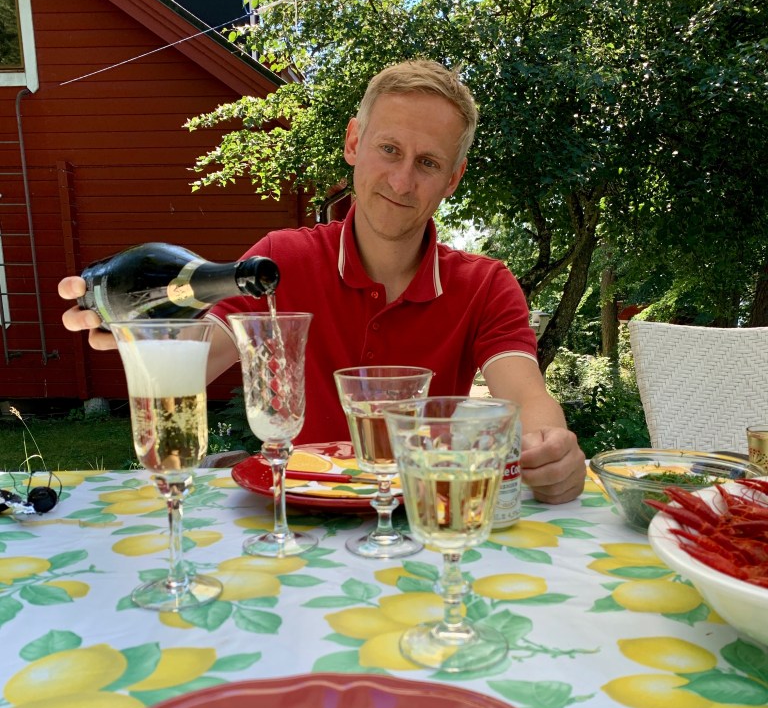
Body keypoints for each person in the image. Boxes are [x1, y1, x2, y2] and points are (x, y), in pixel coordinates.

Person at [60, 60, 585, 503]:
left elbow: (527, 396)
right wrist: (139, 336)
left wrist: (551, 447)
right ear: (354, 142)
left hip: (420, 520)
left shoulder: (485, 284)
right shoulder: (279, 260)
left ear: (452, 179)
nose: (402, 180)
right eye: (389, 149)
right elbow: (194, 361)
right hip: (296, 520)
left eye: (427, 163)